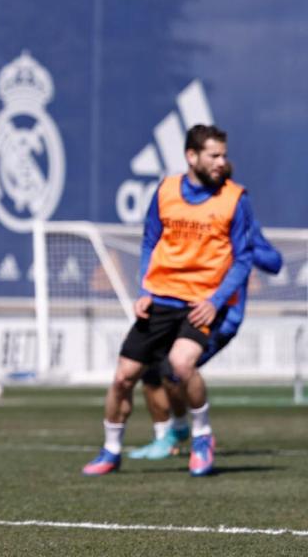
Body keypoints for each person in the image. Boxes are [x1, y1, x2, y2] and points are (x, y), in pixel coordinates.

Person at [82, 124, 251, 477]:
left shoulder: (235, 198)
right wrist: (145, 290)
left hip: (200, 303)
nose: (222, 161)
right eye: (214, 155)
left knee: (181, 364)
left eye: (224, 155)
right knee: (123, 378)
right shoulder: (166, 191)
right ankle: (111, 449)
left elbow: (243, 259)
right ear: (192, 157)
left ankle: (202, 435)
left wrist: (217, 300)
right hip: (160, 299)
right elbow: (149, 241)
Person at [129, 163, 282, 460]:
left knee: (173, 369)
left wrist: (244, 249)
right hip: (185, 309)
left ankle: (189, 432)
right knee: (149, 370)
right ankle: (168, 435)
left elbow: (273, 262)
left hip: (223, 315)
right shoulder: (190, 215)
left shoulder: (237, 215)